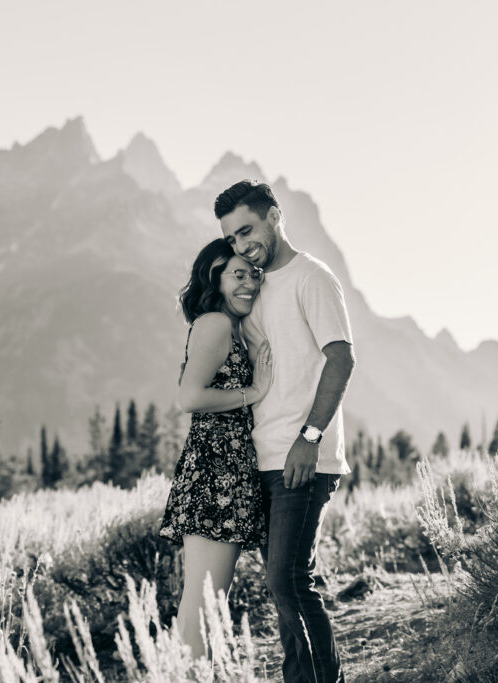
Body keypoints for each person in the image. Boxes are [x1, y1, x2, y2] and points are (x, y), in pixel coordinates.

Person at [215, 180, 355, 683]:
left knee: (288, 580)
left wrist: (310, 438)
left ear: (275, 215)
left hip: (303, 458)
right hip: (262, 459)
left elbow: (341, 358)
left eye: (247, 229)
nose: (241, 244)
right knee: (288, 586)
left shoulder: (311, 278)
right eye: (232, 237)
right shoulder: (251, 287)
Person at [158, 237, 273, 659]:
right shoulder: (215, 324)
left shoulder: (228, 326)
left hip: (224, 473)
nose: (248, 283)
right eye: (237, 275)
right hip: (215, 476)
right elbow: (189, 398)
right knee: (204, 607)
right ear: (215, 279)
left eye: (253, 274)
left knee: (205, 604)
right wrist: (254, 390)